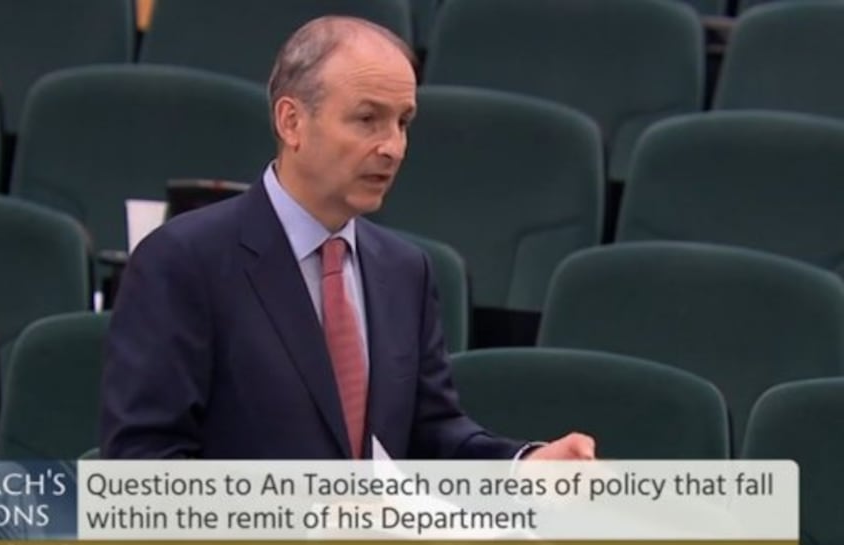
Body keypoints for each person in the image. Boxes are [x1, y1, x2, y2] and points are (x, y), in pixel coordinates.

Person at [100, 15, 594, 461]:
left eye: (403, 122)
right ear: (291, 121)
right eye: (367, 119)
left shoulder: (406, 270)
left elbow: (430, 435)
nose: (393, 147)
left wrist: (522, 465)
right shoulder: (183, 261)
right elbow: (144, 470)